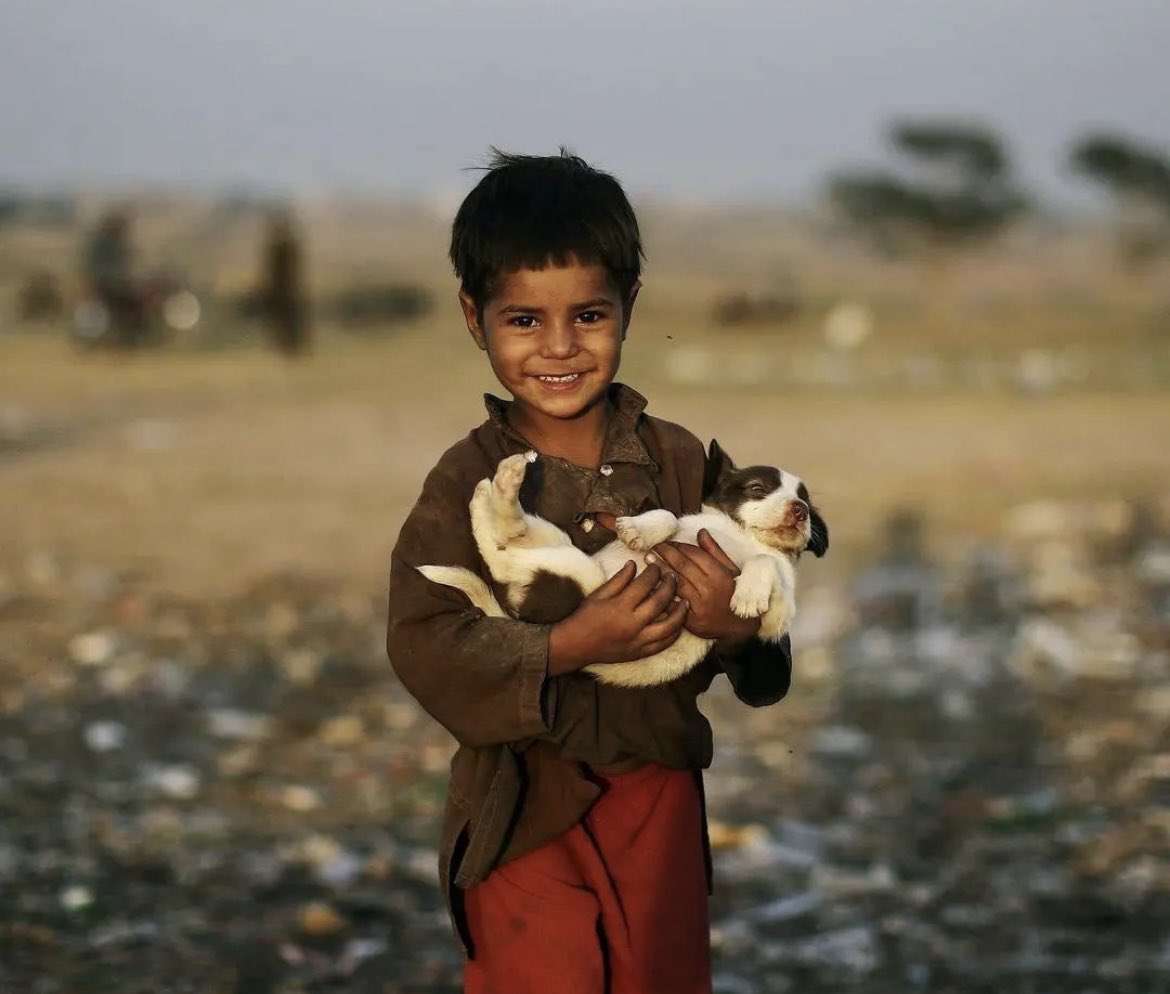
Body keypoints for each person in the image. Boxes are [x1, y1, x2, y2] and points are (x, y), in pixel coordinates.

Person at [386, 150, 793, 994]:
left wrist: (738, 628)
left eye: (590, 315)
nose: (560, 347)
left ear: (629, 308)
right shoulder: (467, 479)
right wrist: (566, 645)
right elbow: (423, 641)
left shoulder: (684, 464)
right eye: (525, 321)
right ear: (475, 317)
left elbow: (766, 660)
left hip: (658, 800)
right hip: (520, 811)